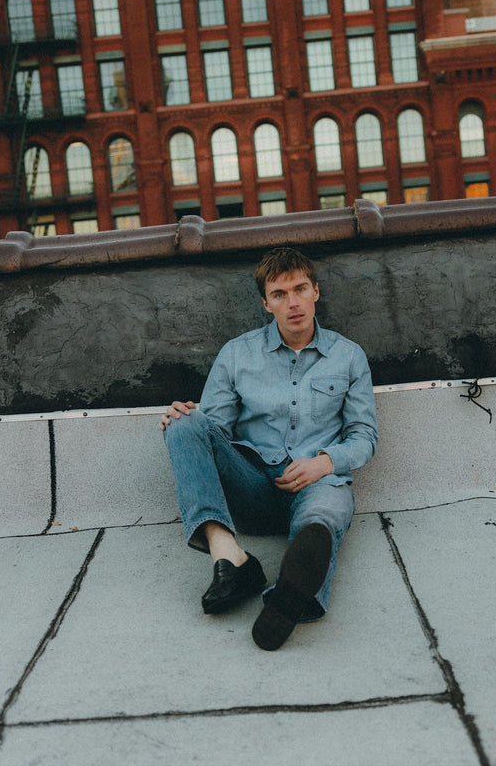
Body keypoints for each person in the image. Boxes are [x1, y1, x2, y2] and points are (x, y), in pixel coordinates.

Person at [160, 246, 378, 650]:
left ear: (316, 291)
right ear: (266, 303)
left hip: (317, 486)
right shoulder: (237, 354)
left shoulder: (348, 356)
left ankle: (291, 596)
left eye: (300, 289)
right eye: (280, 294)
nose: (292, 303)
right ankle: (230, 558)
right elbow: (215, 432)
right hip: (253, 487)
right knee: (182, 422)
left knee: (322, 518)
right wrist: (190, 419)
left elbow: (365, 436)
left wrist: (325, 463)